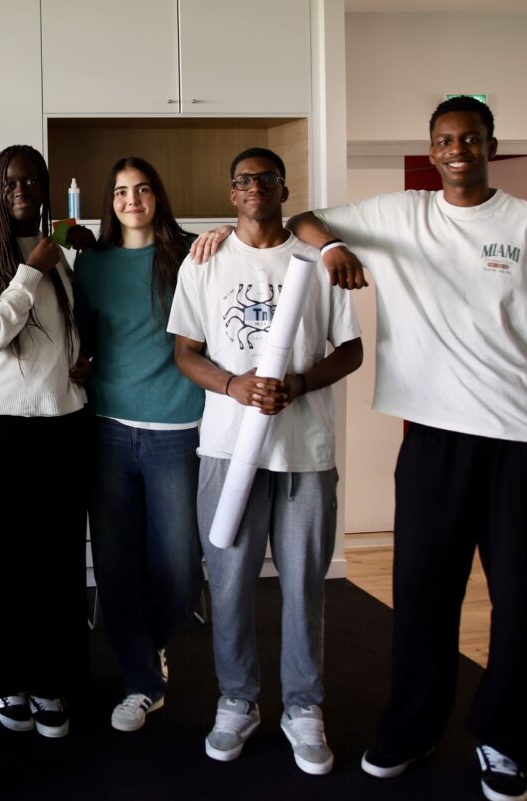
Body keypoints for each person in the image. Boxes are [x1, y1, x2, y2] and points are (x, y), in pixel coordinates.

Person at [205, 98, 527, 801]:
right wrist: (331, 247)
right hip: (432, 436)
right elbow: (297, 218)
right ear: (431, 150)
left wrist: (520, 381)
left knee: (516, 600)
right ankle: (412, 728)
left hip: (518, 439)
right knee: (421, 597)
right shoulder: (402, 211)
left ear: (491, 144)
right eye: (444, 140)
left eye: (469, 138)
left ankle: (503, 742)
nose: (457, 149)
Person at [169, 147, 363, 776]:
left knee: (306, 583)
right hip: (229, 446)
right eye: (243, 180)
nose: (254, 187)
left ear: (284, 188)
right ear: (232, 194)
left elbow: (351, 349)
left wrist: (298, 385)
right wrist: (234, 386)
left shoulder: (315, 258)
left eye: (265, 178)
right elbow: (186, 351)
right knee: (228, 584)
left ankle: (303, 708)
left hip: (305, 451)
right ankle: (237, 700)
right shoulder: (205, 259)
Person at [0, 144, 90, 738]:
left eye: (32, 178)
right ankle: (7, 680)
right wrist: (31, 268)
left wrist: (82, 359)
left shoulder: (61, 247)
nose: (22, 188)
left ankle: (50, 679)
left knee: (58, 559)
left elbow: (63, 332)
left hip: (63, 419)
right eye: (10, 180)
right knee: (6, 559)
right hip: (2, 424)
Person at [72, 156, 204, 733]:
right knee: (117, 564)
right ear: (110, 200)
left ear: (158, 195)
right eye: (121, 190)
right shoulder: (92, 262)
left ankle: (148, 642)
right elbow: (82, 336)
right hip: (107, 427)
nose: (132, 199)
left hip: (177, 428)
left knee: (177, 563)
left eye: (143, 188)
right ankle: (143, 682)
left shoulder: (193, 254)